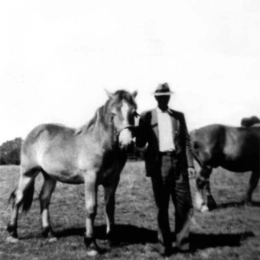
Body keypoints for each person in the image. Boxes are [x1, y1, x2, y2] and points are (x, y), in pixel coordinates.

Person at [136, 83, 196, 256]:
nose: (164, 98)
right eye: (161, 96)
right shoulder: (147, 116)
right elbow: (140, 143)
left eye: (167, 96)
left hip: (180, 164)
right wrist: (139, 130)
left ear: (169, 97)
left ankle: (183, 244)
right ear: (156, 98)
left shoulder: (178, 116)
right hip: (159, 164)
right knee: (162, 206)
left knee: (183, 205)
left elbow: (185, 141)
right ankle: (164, 246)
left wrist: (190, 165)